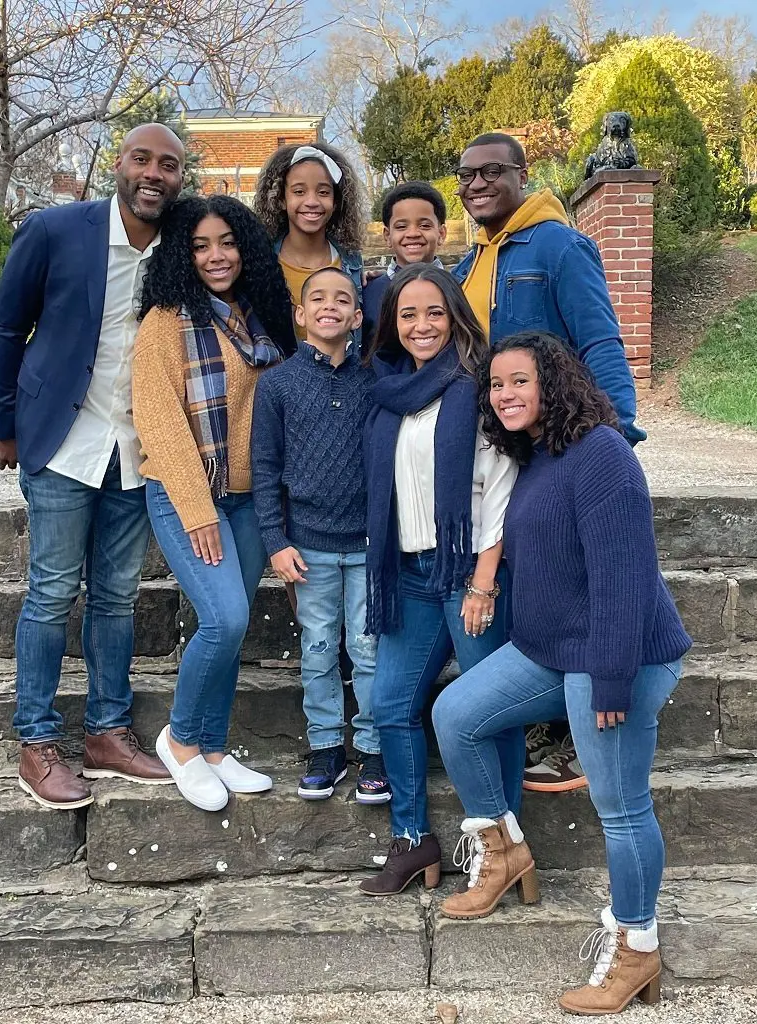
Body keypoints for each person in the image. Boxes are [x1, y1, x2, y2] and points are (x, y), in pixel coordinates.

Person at [431, 331, 691, 1014]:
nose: (505, 394)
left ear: (554, 382)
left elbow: (622, 578)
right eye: (495, 384)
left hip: (618, 654)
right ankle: (504, 850)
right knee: (456, 715)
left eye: (519, 380)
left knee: (622, 808)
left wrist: (611, 679)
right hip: (553, 650)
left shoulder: (601, 454)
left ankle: (637, 948)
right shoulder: (539, 454)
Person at [0, 123, 185, 810]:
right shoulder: (54, 230)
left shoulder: (180, 246)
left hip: (136, 450)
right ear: (118, 165)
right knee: (49, 594)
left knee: (116, 597)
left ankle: (106, 732)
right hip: (61, 441)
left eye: (169, 164)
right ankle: (37, 743)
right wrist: (4, 424)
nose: (154, 173)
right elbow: (7, 327)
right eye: (142, 159)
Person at [453, 131, 648, 795]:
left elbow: (598, 336)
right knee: (530, 578)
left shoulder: (558, 244)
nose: (477, 184)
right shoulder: (469, 264)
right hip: (512, 449)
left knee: (581, 582)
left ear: (522, 174)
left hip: (566, 442)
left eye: (491, 172)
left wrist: (617, 437)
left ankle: (573, 740)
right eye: (466, 175)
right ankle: (540, 721)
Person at [357, 263, 520, 897]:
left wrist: (483, 582)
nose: (421, 325)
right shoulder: (389, 393)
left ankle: (504, 846)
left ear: (454, 316)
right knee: (391, 705)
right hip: (409, 574)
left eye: (432, 312)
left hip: (469, 575)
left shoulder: (478, 390)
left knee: (489, 711)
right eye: (407, 315)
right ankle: (412, 840)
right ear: (392, 326)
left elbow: (503, 490)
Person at [132, 194, 296, 812]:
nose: (215, 255)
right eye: (199, 245)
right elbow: (158, 416)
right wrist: (198, 509)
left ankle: (213, 747)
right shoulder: (165, 322)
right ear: (182, 253)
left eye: (226, 242)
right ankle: (179, 742)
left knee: (232, 623)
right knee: (224, 618)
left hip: (252, 498)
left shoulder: (259, 316)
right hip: (188, 497)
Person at [252, 267, 389, 805]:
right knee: (316, 647)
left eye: (343, 299)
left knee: (368, 648)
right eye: (317, 298)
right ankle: (327, 748)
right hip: (306, 545)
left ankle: (375, 750)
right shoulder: (278, 385)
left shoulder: (376, 383)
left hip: (368, 545)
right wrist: (274, 541)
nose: (329, 306)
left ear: (357, 316)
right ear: (301, 314)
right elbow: (265, 469)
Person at [253, 141, 366, 351]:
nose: (312, 201)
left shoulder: (351, 262)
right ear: (280, 199)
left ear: (337, 201)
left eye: (323, 192)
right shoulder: (261, 262)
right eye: (299, 192)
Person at [361, 181, 448, 343]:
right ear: (387, 236)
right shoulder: (367, 293)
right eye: (401, 226)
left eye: (424, 225)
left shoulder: (459, 287)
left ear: (441, 233)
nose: (413, 233)